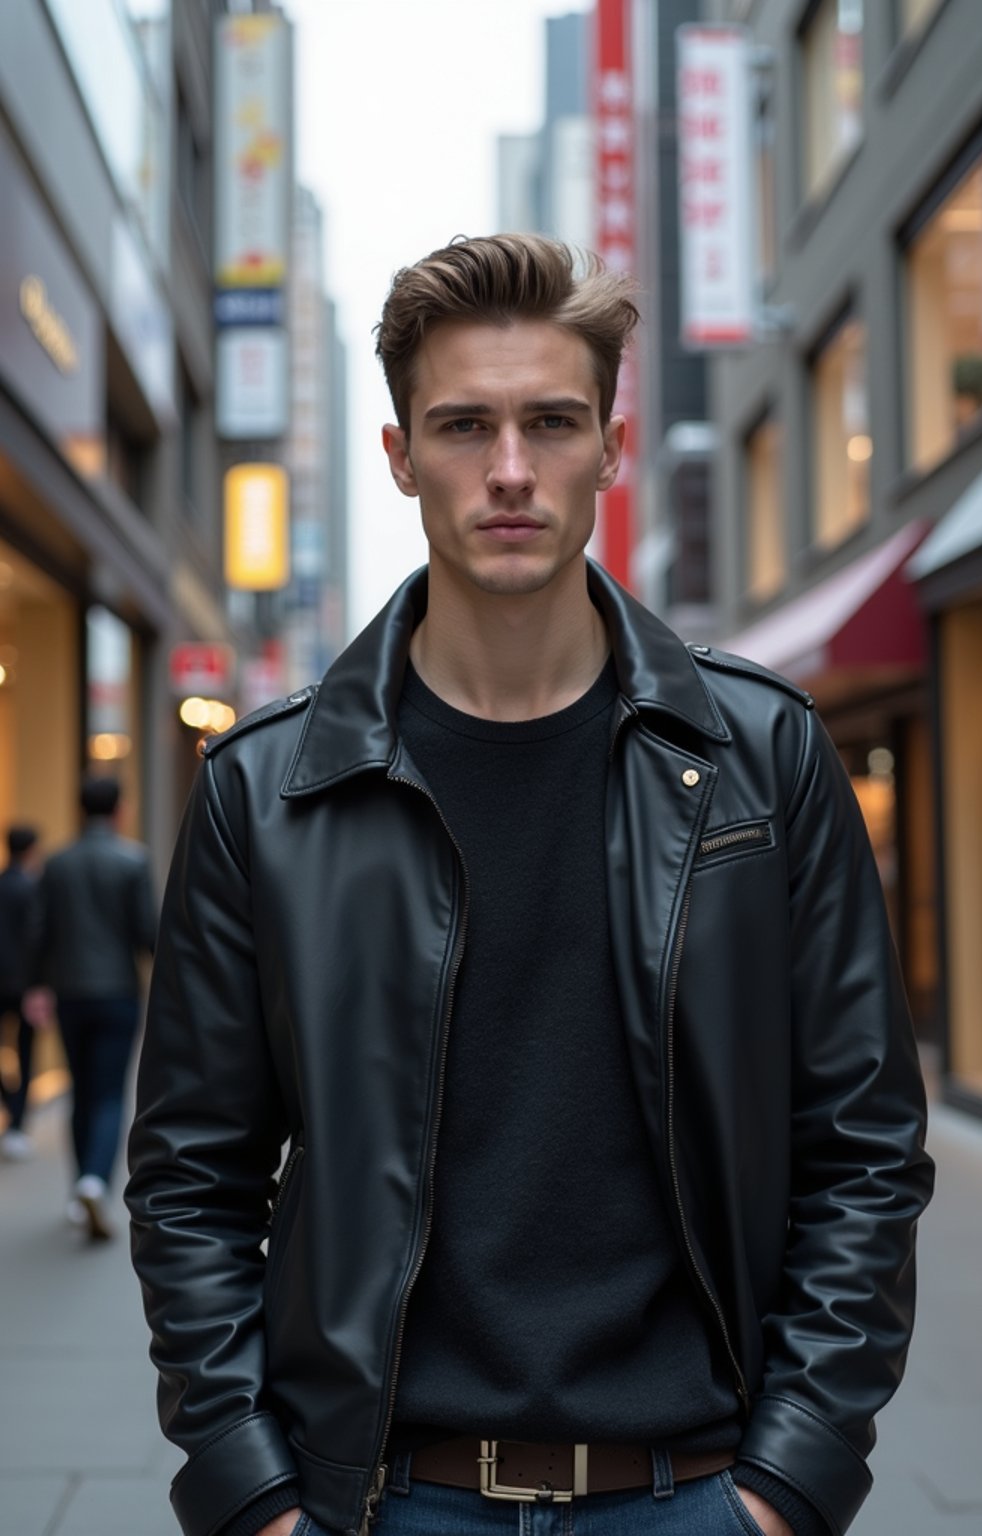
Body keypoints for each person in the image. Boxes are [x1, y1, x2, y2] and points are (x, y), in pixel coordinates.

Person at [126, 235, 934, 1536]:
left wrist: (790, 1484)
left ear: (610, 447)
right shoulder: (268, 793)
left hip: (695, 1495)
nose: (510, 470)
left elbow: (865, 1149)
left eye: (552, 423)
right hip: (381, 1503)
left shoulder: (764, 758)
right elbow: (190, 1179)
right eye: (464, 426)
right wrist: (253, 1497)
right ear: (398, 456)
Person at [28, 775, 156, 1239]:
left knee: (79, 1089)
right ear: (120, 808)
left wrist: (36, 984)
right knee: (108, 1092)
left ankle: (80, 1189)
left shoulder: (57, 864)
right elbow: (147, 931)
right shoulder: (133, 860)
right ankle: (95, 1182)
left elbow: (39, 932)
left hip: (69, 992)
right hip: (117, 992)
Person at [0, 824, 43, 1159]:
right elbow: (38, 939)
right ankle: (17, 1120)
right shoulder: (34, 889)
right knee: (27, 1054)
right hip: (26, 984)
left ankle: (11, 1106)